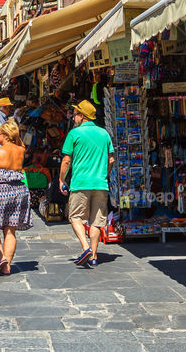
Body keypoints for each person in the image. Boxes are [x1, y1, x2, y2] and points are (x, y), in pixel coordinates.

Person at [59, 100, 114, 268]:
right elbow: (111, 159)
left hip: (81, 183)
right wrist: (105, 175)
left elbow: (67, 161)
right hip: (100, 184)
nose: (73, 117)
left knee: (75, 217)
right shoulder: (104, 133)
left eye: (75, 114)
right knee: (96, 221)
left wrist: (61, 180)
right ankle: (94, 256)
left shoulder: (74, 134)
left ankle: (85, 248)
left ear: (82, 116)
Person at [0, 119, 32, 275]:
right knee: (10, 231)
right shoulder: (20, 150)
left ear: (6, 134)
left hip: (0, 191)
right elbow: (20, 144)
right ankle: (6, 266)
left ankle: (1, 257)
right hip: (19, 191)